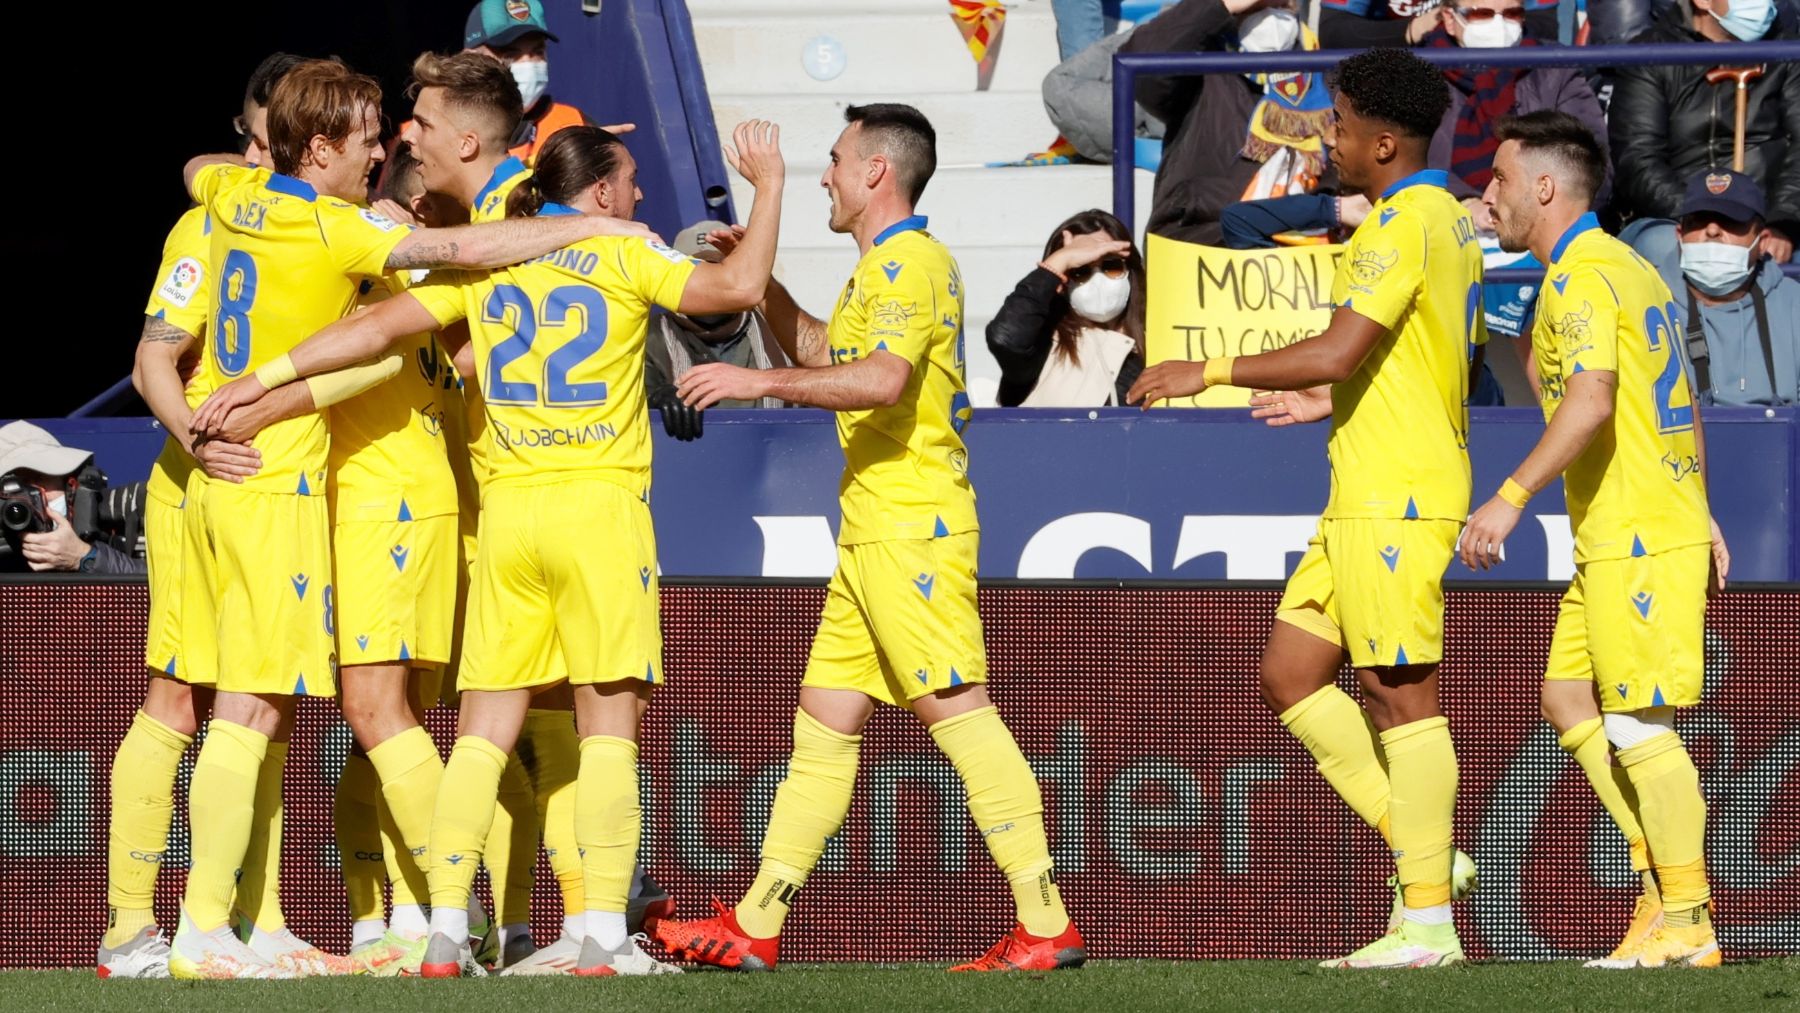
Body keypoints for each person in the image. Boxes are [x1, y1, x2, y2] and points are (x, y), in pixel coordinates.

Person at [193, 118, 787, 978]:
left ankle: (439, 930)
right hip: (597, 505)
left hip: (507, 515)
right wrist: (768, 185)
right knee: (609, 725)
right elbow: (737, 286)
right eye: (628, 183)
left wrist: (256, 380)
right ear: (599, 193)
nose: (639, 197)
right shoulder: (626, 253)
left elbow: (370, 332)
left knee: (481, 733)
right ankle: (606, 940)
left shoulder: (486, 266)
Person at [652, 103, 1086, 974]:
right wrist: (763, 290)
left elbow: (881, 380)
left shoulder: (908, 266)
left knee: (960, 714)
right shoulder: (883, 271)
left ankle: (1046, 922)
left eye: (836, 159)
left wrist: (750, 375)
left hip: (909, 526)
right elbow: (822, 347)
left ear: (877, 172)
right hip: (874, 530)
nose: (824, 175)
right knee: (824, 718)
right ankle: (756, 920)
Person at [1128, 47, 1482, 968]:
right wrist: (1334, 400)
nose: (1328, 135)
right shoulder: (1437, 216)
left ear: (1386, 139)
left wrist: (1202, 368)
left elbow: (1336, 348)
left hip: (1395, 494)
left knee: (1403, 700)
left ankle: (1429, 922)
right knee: (1289, 672)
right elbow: (1412, 351)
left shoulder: (1403, 225)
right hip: (1368, 485)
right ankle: (1430, 852)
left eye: (1339, 121)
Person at [1469, 109, 1730, 968]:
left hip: (1637, 533)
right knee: (1568, 697)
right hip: (1639, 524)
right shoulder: (1632, 266)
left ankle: (1686, 916)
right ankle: (1661, 885)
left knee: (1637, 721)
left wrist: (1508, 498)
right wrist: (1703, 508)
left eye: (1500, 177)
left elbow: (1594, 397)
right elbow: (1672, 401)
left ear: (1543, 186)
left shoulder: (1582, 276)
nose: (1489, 192)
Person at [97, 52, 300, 980]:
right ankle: (134, 929)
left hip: (273, 485)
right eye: (256, 142)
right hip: (200, 483)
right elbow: (153, 359)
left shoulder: (312, 226)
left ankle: (256, 918)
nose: (262, 159)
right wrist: (196, 436)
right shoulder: (206, 224)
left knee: (269, 708)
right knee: (180, 698)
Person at [1125, 0, 1335, 246]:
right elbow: (1143, 71)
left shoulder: (1322, 69)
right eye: (1256, 5)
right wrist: (1220, 5)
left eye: (1280, 2)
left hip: (1298, 248)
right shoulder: (1200, 60)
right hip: (1205, 242)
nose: (1269, 7)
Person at [1610, 0, 1800, 262]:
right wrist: (1702, 218)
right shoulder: (1650, 55)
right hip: (1676, 217)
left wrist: (1782, 222)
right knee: (1661, 247)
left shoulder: (1788, 51)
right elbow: (1638, 160)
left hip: (1767, 217)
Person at [1626, 169, 1800, 406]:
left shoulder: (1793, 303)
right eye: (1698, 221)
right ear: (1680, 234)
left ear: (1763, 242)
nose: (1712, 230)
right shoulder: (1644, 301)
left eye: (1731, 221)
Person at [643, 218, 795, 438]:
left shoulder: (781, 331)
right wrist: (654, 397)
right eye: (698, 273)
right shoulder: (647, 336)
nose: (711, 283)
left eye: (720, 271)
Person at [987, 209, 1144, 406]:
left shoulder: (1158, 338)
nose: (1098, 279)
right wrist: (1061, 259)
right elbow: (1006, 337)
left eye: (1111, 265)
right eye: (1080, 270)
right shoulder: (1042, 341)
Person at [464, 0, 623, 164]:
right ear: (471, 59)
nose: (528, 65)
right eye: (510, 54)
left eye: (537, 52)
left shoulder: (574, 125)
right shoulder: (447, 127)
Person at [0, 423, 143, 576]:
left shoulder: (118, 531)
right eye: (16, 489)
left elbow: (164, 584)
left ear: (70, 486)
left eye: (40, 478)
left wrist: (85, 558)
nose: (29, 498)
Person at [1317, 0, 1558, 48]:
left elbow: (1545, 26)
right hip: (1397, 66)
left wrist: (1495, 17)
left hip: (1500, 66)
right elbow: (1334, 31)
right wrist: (1414, 29)